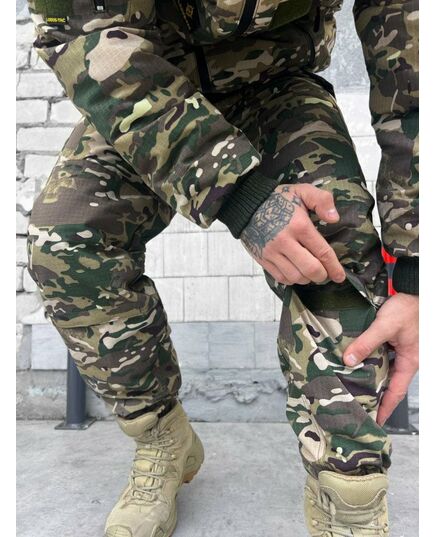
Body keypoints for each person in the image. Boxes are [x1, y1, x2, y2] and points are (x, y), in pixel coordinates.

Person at [26, 0, 419, 535]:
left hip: (279, 81)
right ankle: (162, 438)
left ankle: (349, 491)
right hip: (152, 84)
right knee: (67, 241)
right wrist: (241, 196)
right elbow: (80, 34)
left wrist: (416, 271)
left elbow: (415, 69)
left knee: (338, 257)